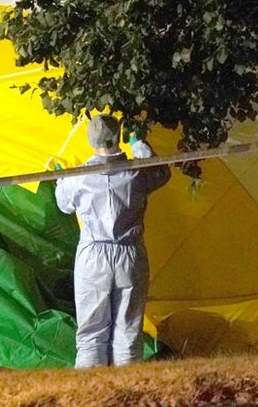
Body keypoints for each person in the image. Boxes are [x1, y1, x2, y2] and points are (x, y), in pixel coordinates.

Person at [54, 114, 171, 368]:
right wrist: (139, 143)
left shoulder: (79, 176)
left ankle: (90, 396)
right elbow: (162, 172)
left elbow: (63, 205)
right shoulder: (137, 171)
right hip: (130, 254)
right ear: (118, 136)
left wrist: (61, 178)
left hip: (93, 256)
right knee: (128, 330)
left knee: (91, 332)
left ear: (90, 140)